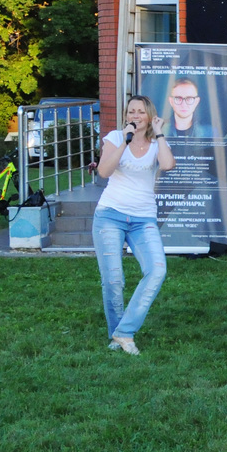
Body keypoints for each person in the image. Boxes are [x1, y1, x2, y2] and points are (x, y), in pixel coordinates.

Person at [93, 95, 175, 355]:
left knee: (157, 270)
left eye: (140, 111)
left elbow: (168, 165)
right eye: (131, 112)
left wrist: (159, 133)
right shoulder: (116, 138)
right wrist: (125, 141)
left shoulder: (157, 142)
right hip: (110, 215)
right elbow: (104, 172)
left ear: (149, 116)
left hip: (143, 218)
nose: (135, 116)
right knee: (113, 279)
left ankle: (124, 331)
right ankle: (117, 335)